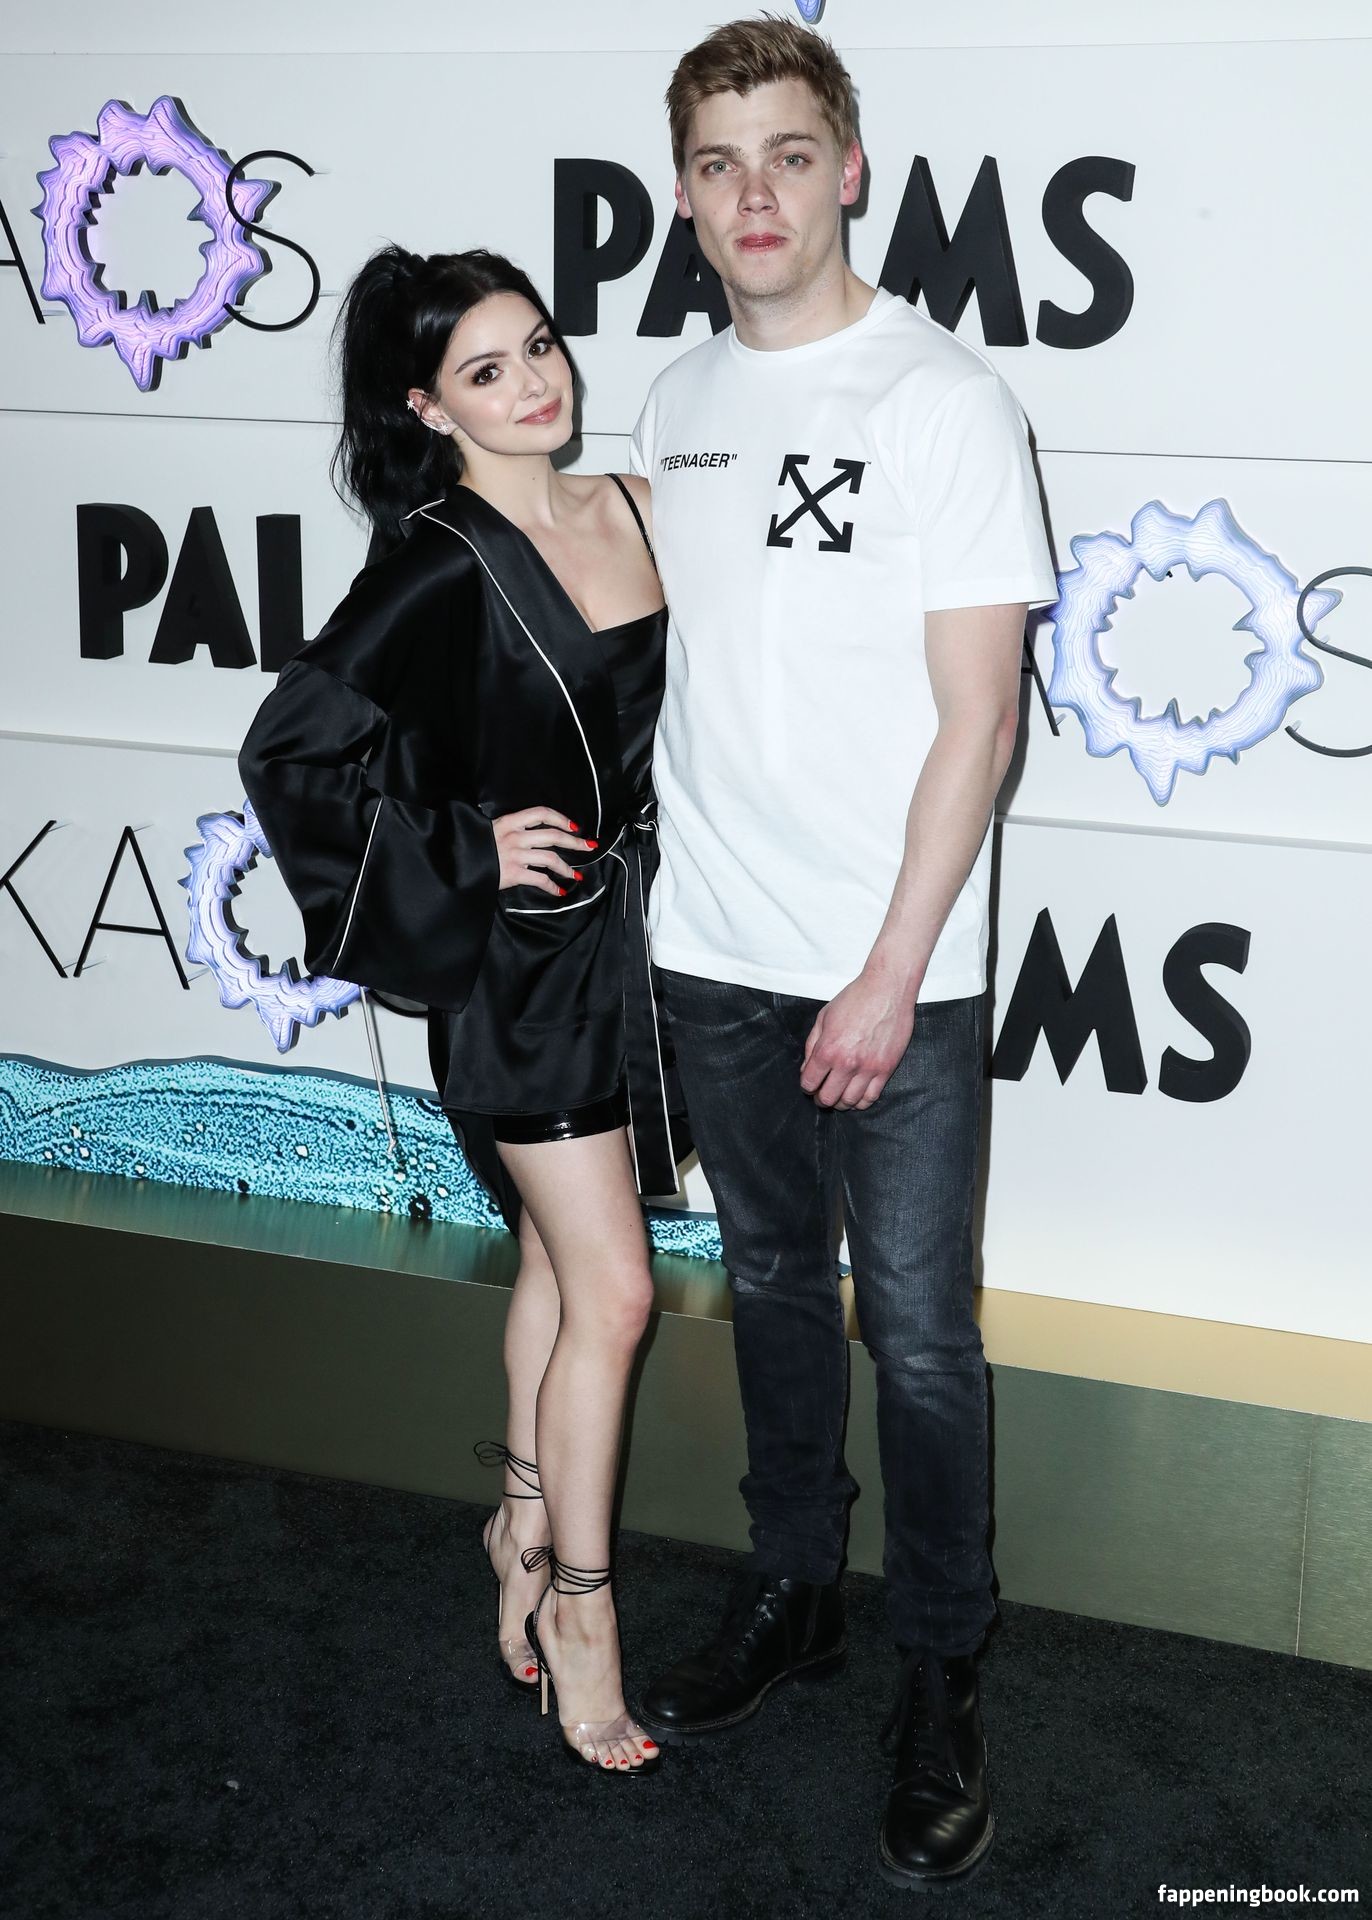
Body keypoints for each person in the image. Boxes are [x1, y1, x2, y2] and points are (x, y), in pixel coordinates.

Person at [628, 18, 1058, 1882]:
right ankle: (794, 1584)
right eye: (720, 164)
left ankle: (942, 1668)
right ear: (683, 194)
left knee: (929, 1339)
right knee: (774, 1291)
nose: (757, 195)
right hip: (713, 949)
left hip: (899, 969)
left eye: (789, 155)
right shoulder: (670, 401)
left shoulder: (944, 401)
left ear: (851, 170)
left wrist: (888, 970)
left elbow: (983, 718)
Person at [238, 245, 678, 1776]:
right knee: (617, 1295)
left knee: (562, 1271)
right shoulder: (434, 562)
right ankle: (584, 1614)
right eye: (486, 370)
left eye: (539, 345)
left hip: (633, 948)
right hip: (518, 975)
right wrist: (466, 849)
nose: (534, 382)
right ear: (429, 407)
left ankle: (521, 1524)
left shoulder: (634, 505)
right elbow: (290, 753)